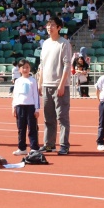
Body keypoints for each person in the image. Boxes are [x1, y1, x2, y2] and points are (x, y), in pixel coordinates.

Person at [38, 17, 72, 155]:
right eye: (48, 25)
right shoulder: (45, 43)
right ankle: (49, 144)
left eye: (52, 25)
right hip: (46, 84)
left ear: (59, 27)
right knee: (48, 118)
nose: (49, 27)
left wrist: (62, 84)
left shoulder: (64, 43)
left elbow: (67, 65)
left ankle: (64, 145)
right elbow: (42, 65)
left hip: (59, 85)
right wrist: (40, 83)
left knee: (62, 117)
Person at [11, 59, 40, 155]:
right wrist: (14, 107)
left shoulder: (33, 80)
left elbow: (36, 95)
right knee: (21, 128)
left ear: (30, 68)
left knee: (32, 128)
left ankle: (34, 147)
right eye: (23, 67)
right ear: (19, 69)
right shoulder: (18, 81)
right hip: (20, 107)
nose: (25, 69)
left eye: (27, 67)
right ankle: (22, 148)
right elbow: (15, 95)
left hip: (31, 106)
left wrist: (37, 109)